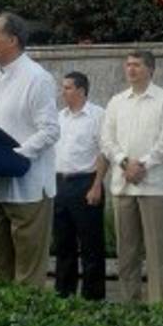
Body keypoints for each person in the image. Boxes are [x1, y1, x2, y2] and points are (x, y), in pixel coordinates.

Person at [0, 12, 60, 287]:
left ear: (13, 41)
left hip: (28, 188)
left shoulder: (37, 78)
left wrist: (14, 156)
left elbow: (51, 130)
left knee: (27, 274)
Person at [101, 51, 163, 304]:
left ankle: (160, 308)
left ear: (150, 69)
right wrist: (125, 162)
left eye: (136, 65)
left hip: (155, 186)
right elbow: (106, 139)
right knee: (127, 253)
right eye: (128, 65)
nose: (131, 69)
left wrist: (142, 164)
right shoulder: (116, 101)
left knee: (158, 253)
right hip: (123, 185)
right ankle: (129, 306)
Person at [53, 71, 108, 300]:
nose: (63, 92)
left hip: (86, 183)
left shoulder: (98, 115)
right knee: (63, 245)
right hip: (60, 184)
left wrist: (96, 185)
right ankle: (64, 294)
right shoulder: (59, 117)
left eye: (67, 88)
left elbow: (104, 152)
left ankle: (92, 298)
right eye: (63, 87)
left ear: (81, 90)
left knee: (91, 246)